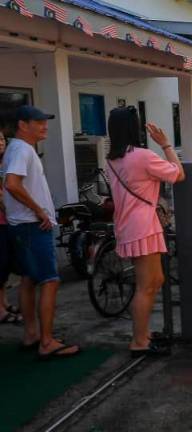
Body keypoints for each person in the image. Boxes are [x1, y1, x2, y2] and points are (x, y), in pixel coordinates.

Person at [105, 107, 185, 357]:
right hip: (143, 226)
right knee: (146, 286)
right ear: (134, 128)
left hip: (130, 223)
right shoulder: (141, 156)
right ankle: (139, 340)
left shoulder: (113, 159)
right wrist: (166, 144)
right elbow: (178, 174)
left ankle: (144, 334)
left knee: (155, 280)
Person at [2, 106, 79, 358]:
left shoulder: (18, 148)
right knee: (50, 280)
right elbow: (11, 184)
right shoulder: (21, 149)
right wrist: (39, 211)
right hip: (31, 226)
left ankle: (32, 334)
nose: (44, 125)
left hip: (24, 225)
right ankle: (46, 341)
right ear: (23, 125)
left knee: (28, 279)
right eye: (38, 121)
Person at [0, 130, 21, 325]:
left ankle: (4, 303)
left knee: (5, 264)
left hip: (7, 221)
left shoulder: (5, 162)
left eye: (1, 139)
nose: (0, 143)